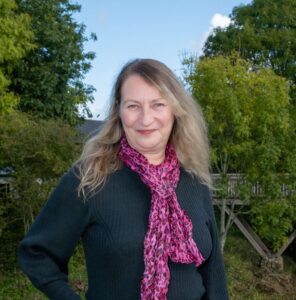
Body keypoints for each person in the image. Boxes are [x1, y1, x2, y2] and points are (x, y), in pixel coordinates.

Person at [18, 58, 229, 300]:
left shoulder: (194, 182)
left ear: (175, 109)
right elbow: (36, 253)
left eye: (158, 104)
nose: (146, 119)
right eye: (133, 106)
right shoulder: (90, 178)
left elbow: (213, 275)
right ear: (119, 110)